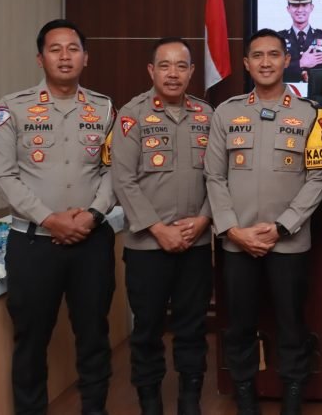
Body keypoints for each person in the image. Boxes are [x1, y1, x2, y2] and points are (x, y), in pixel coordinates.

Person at [0, 19, 116, 415]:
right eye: (55, 49)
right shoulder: (12, 108)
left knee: (94, 336)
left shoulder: (104, 108)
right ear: (40, 58)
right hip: (33, 244)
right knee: (31, 341)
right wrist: (49, 218)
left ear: (86, 58)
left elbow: (114, 170)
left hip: (92, 242)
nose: (64, 56)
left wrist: (93, 215)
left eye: (73, 49)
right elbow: (3, 176)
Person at [205, 28, 322, 415]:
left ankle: (292, 398)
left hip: (288, 242)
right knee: (239, 326)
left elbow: (319, 176)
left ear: (286, 60)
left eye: (273, 54)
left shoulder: (310, 114)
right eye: (257, 55)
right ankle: (245, 396)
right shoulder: (227, 112)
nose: (265, 62)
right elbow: (214, 177)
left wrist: (282, 227)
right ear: (246, 63)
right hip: (237, 241)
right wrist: (232, 229)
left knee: (292, 326)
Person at [111, 37, 213, 415]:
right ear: (151, 71)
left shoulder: (208, 115)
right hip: (147, 247)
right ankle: (150, 403)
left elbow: (219, 177)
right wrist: (158, 228)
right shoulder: (131, 115)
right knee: (147, 330)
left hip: (195, 243)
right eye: (165, 66)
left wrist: (204, 218)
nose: (173, 74)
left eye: (181, 66)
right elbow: (123, 180)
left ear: (191, 71)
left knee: (193, 329)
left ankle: (189, 402)